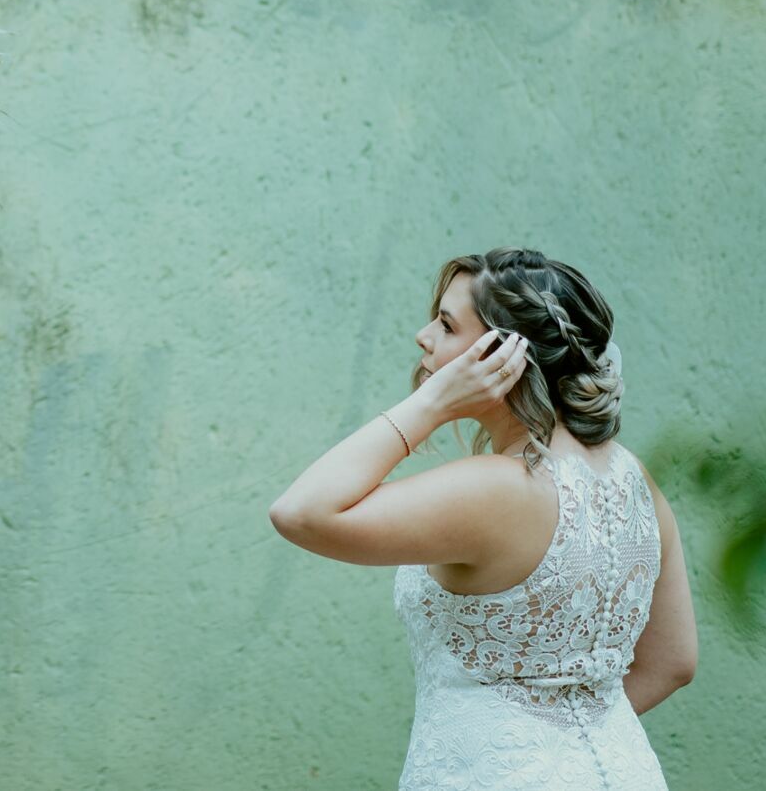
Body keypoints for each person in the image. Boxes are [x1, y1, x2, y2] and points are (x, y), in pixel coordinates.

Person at [268, 247, 698, 789]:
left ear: (504, 356)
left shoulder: (496, 486)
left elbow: (300, 512)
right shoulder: (637, 481)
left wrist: (431, 406)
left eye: (446, 325)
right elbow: (674, 661)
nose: (424, 336)